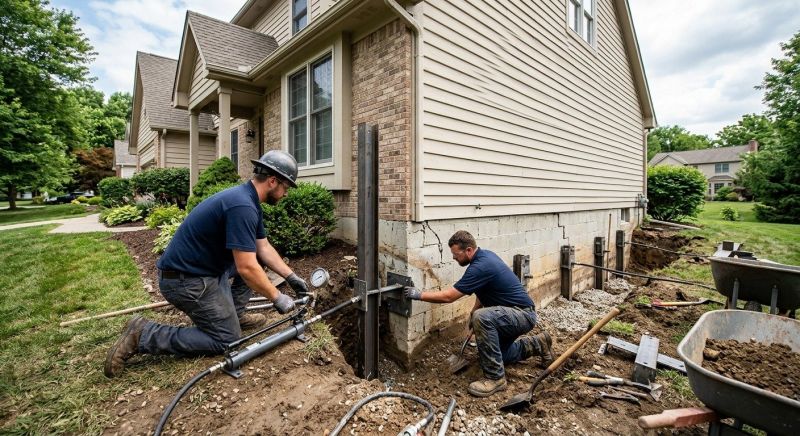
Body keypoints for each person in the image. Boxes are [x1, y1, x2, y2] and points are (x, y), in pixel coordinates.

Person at [104, 150, 311, 378]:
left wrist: (291, 277)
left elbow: (263, 248)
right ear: (273, 181)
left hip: (204, 271)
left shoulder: (248, 199)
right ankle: (142, 334)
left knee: (255, 263)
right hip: (186, 281)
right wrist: (277, 297)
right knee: (227, 340)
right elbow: (246, 268)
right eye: (286, 187)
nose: (286, 193)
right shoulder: (242, 206)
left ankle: (236, 314)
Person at [404, 230, 553, 397]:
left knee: (482, 317)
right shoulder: (485, 256)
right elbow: (482, 290)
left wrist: (418, 295)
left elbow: (449, 297)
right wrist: (473, 312)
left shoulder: (480, 266)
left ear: (468, 250)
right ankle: (538, 343)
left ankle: (495, 378)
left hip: (522, 315)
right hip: (512, 314)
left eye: (456, 254)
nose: (454, 258)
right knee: (501, 355)